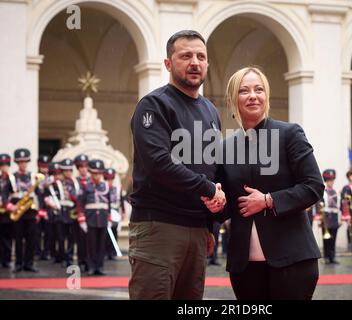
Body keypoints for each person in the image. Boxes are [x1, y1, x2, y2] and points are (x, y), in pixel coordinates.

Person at [204, 66, 324, 300]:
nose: (253, 95)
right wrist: (216, 206)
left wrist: (269, 200)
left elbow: (314, 186)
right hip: (244, 266)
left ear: (266, 96)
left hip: (293, 261)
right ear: (232, 99)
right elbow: (225, 203)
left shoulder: (289, 134)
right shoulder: (225, 147)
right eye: (244, 90)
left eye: (259, 89)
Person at [128, 30, 225, 300]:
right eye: (185, 56)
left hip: (197, 229)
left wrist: (210, 226)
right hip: (159, 225)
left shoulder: (210, 111)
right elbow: (159, 163)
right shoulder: (154, 105)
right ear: (168, 64)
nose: (194, 62)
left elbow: (211, 167)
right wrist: (208, 189)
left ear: (207, 64)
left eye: (201, 56)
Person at [9, 148, 42, 272]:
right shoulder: (12, 177)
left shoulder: (33, 177)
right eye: (20, 162)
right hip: (18, 211)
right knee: (18, 238)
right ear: (17, 163)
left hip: (31, 212)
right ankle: (18, 263)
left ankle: (29, 263)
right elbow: (6, 193)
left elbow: (39, 195)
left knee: (31, 239)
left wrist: (40, 211)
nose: (23, 164)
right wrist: (10, 206)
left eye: (24, 162)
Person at [78, 159, 110, 276]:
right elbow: (80, 204)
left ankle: (100, 267)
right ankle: (91, 266)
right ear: (90, 173)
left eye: (99, 173)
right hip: (90, 220)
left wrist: (110, 218)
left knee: (101, 245)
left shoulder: (105, 186)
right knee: (91, 245)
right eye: (94, 173)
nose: (96, 176)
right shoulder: (85, 186)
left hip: (102, 219)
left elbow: (109, 204)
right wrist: (82, 220)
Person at [318, 169, 341, 264]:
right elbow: (319, 205)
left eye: (332, 180)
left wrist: (341, 218)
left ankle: (332, 257)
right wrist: (319, 217)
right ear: (326, 181)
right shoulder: (323, 192)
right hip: (326, 218)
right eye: (329, 181)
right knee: (326, 239)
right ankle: (326, 257)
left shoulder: (336, 193)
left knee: (333, 239)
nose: (331, 182)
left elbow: (339, 206)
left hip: (334, 218)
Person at [74, 154, 89, 272]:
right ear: (78, 169)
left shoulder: (91, 180)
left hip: (90, 214)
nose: (83, 169)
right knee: (80, 239)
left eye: (85, 167)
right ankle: (81, 261)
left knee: (89, 239)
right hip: (77, 213)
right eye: (81, 167)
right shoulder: (75, 181)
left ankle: (89, 261)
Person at [103, 168, 122, 260]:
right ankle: (105, 252)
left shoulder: (116, 189)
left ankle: (112, 252)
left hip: (115, 212)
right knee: (106, 233)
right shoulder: (103, 188)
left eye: (111, 179)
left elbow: (120, 200)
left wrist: (122, 212)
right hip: (105, 213)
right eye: (107, 179)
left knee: (114, 232)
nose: (109, 181)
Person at [0, 154, 14, 268]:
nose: (4, 167)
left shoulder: (12, 178)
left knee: (8, 236)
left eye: (6, 165)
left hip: (8, 211)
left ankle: (7, 259)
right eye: (2, 165)